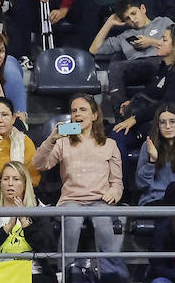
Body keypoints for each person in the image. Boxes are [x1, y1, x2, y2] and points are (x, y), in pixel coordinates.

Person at [32, 94, 123, 258]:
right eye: (74, 111)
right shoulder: (62, 142)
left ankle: (109, 271)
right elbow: (39, 164)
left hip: (100, 200)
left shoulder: (110, 144)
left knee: (103, 222)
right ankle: (65, 273)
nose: (77, 114)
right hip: (71, 200)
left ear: (94, 115)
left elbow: (117, 182)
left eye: (83, 110)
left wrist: (114, 192)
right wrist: (51, 140)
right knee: (72, 221)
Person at [111, 23, 175, 152]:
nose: (158, 43)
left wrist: (135, 119)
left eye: (164, 40)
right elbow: (152, 91)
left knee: (117, 138)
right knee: (112, 136)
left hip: (173, 130)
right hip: (154, 125)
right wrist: (132, 101)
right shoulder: (165, 67)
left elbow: (167, 104)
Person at [90, 0, 175, 105]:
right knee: (115, 66)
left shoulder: (163, 22)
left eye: (134, 13)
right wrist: (109, 23)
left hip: (160, 64)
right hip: (136, 67)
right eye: (127, 19)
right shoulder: (124, 37)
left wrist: (152, 42)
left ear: (143, 8)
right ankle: (121, 110)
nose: (133, 20)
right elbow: (94, 49)